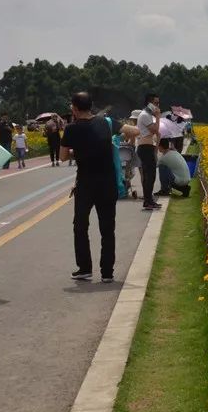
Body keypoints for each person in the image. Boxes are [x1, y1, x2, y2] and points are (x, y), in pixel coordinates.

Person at [60, 91, 141, 283]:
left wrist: (79, 152)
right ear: (91, 106)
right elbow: (135, 132)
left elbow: (63, 156)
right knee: (107, 228)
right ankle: (107, 273)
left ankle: (85, 268)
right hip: (107, 183)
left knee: (80, 226)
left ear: (74, 108)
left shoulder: (71, 129)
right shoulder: (107, 122)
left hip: (85, 184)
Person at [135, 92, 163, 210]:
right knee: (149, 176)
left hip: (148, 146)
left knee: (150, 176)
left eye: (158, 103)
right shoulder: (145, 115)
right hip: (145, 147)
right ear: (149, 103)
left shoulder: (147, 115)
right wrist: (158, 116)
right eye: (155, 103)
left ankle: (149, 200)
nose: (157, 106)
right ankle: (148, 201)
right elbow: (155, 129)